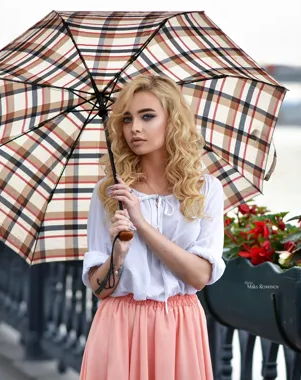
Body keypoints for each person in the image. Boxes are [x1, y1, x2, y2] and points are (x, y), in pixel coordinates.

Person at [80, 75, 226, 380]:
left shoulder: (206, 191)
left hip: (180, 325)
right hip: (119, 326)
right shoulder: (109, 193)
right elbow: (99, 288)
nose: (135, 128)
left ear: (173, 121)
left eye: (147, 116)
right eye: (127, 119)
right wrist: (117, 256)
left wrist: (141, 225)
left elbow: (199, 276)